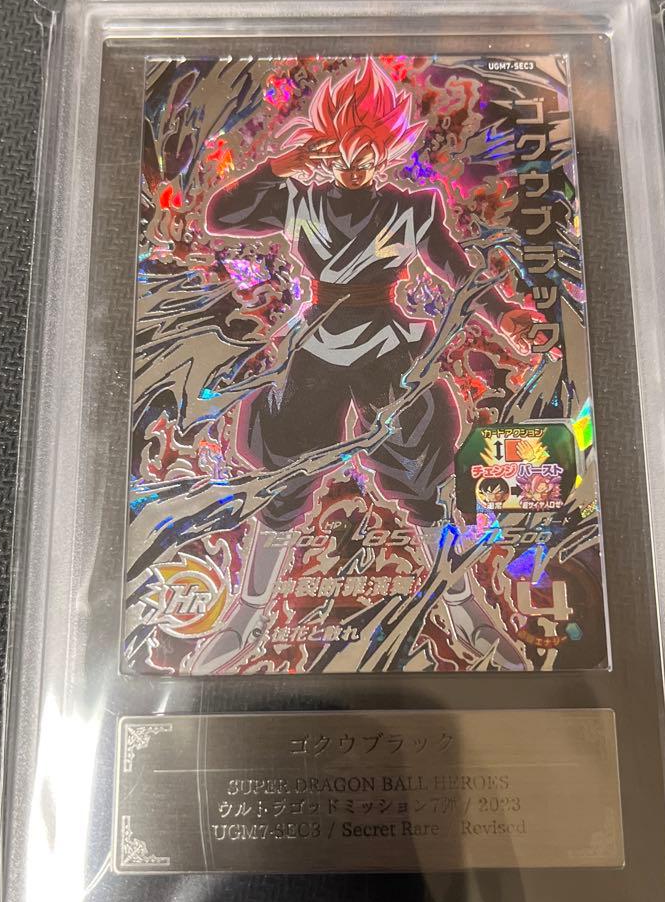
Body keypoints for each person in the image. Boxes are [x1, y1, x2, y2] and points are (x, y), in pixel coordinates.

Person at [196, 58, 530, 670]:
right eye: (341, 148)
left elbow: (458, 275)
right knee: (287, 475)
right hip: (317, 348)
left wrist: (504, 317)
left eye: (367, 149)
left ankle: (463, 604)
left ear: (389, 147)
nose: (353, 163)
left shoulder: (412, 209)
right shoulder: (299, 199)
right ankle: (247, 615)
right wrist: (278, 166)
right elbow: (220, 217)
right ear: (323, 142)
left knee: (422, 477)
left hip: (386, 346)